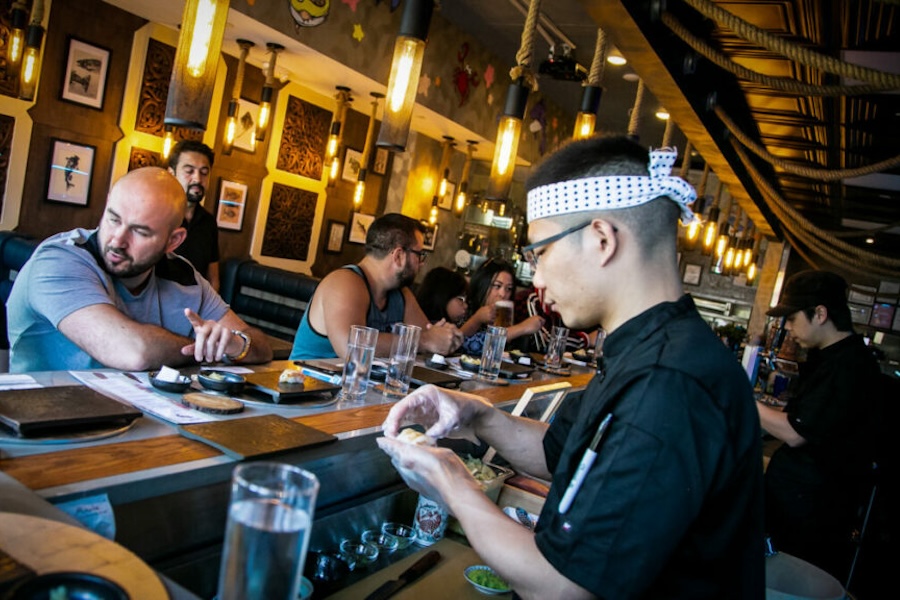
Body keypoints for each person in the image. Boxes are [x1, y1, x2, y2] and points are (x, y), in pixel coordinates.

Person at [377, 136, 764, 599]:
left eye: (541, 252)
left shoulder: (669, 382)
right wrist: (476, 412)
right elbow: (560, 452)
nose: (536, 279)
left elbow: (563, 588)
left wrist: (451, 482)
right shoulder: (645, 349)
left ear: (601, 239)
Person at [6, 167, 272, 373]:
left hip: (135, 420)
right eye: (113, 219)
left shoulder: (183, 275)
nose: (117, 240)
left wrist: (236, 345)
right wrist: (202, 349)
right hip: (42, 428)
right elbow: (134, 352)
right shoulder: (59, 260)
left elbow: (259, 346)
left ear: (173, 241)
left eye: (140, 231)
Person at [759, 270, 881, 579]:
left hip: (811, 518)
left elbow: (796, 432)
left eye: (792, 318)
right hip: (795, 506)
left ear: (820, 314)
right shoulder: (829, 358)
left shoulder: (849, 365)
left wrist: (743, 400)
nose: (787, 328)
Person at [289, 213, 463, 360]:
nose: (422, 263)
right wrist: (424, 341)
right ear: (398, 256)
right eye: (420, 255)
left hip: (359, 393)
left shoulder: (401, 294)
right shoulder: (344, 282)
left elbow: (431, 336)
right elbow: (351, 348)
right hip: (307, 390)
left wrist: (445, 337)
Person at [459, 259, 543, 355]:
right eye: (497, 286)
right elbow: (464, 343)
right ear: (482, 284)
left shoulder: (506, 314)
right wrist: (521, 328)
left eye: (509, 289)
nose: (503, 294)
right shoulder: (464, 307)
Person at [167, 140, 220, 290]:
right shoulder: (158, 215)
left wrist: (209, 313)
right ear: (172, 174)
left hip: (196, 307)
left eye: (204, 172)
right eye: (189, 171)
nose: (198, 179)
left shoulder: (209, 222)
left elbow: (213, 278)